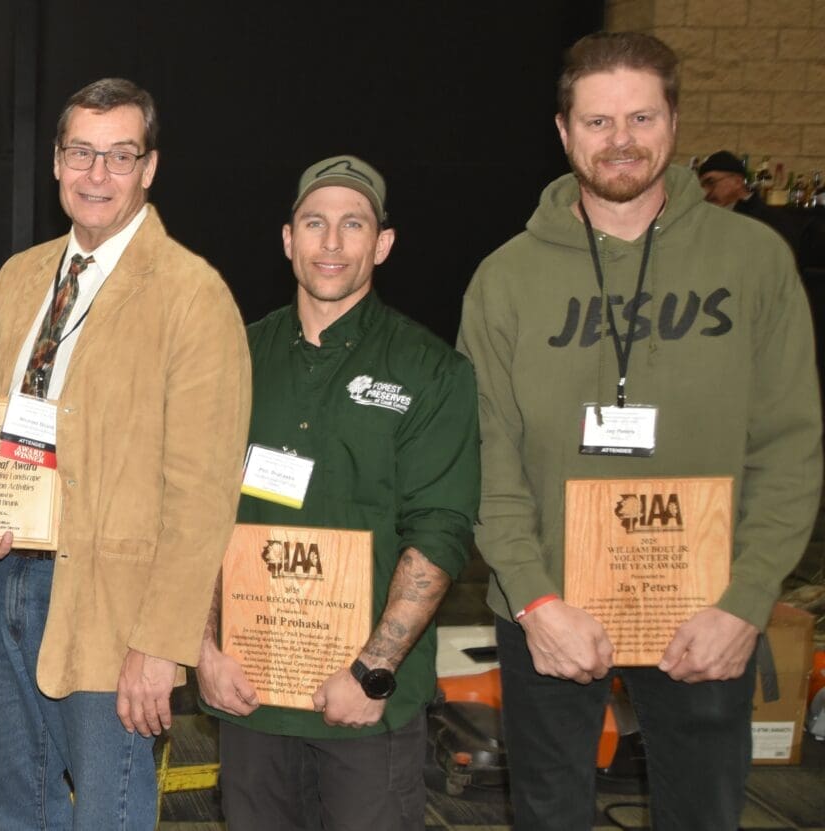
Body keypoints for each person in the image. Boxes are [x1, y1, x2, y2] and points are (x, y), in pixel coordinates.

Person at [458, 32, 821, 830]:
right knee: (549, 815)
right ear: (563, 132)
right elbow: (487, 453)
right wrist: (534, 597)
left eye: (641, 117)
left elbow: (790, 447)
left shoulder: (755, 261)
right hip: (550, 608)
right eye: (597, 122)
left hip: (705, 612)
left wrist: (745, 598)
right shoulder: (506, 278)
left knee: (704, 814)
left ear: (675, 122)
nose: (620, 140)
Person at [0, 77, 250, 829]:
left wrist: (161, 643)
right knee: (9, 798)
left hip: (113, 606)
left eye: (120, 156)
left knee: (106, 809)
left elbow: (203, 494)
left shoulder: (193, 294)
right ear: (55, 162)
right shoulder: (20, 278)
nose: (97, 174)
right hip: (5, 576)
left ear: (149, 168)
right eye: (81, 153)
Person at [195, 155, 479, 829]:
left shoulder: (431, 370)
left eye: (353, 225)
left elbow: (440, 531)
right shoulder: (234, 355)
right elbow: (200, 512)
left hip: (362, 708)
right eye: (314, 223)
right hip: (250, 694)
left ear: (382, 243)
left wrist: (372, 672)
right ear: (287, 238)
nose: (331, 242)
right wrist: (202, 650)